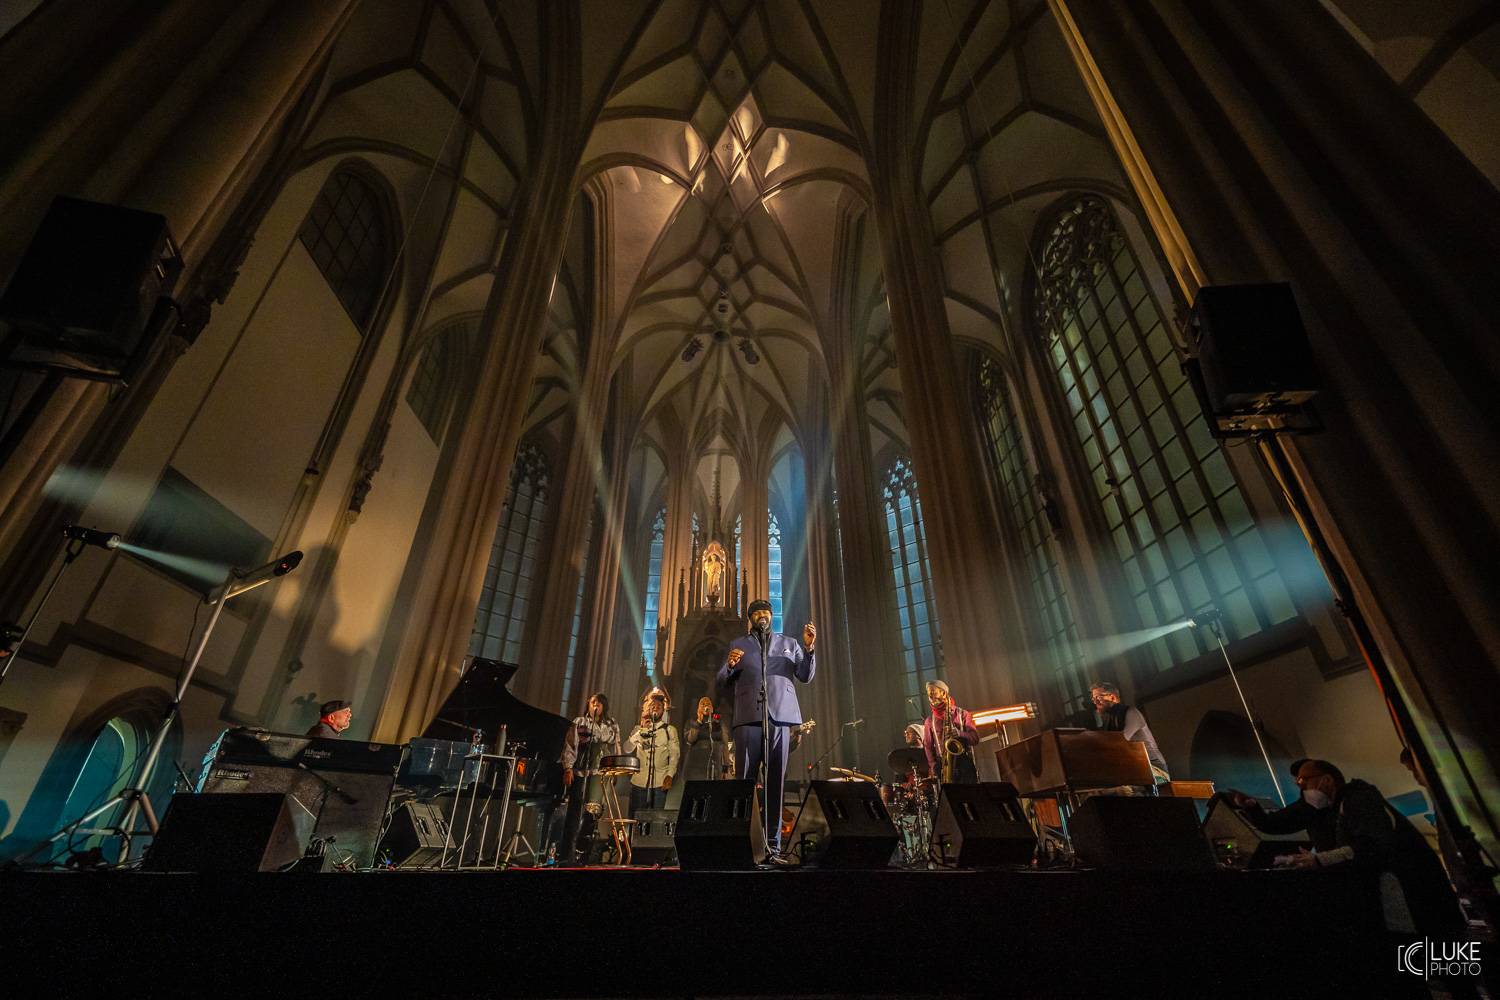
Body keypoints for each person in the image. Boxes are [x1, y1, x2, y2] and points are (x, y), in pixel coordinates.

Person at [1226, 758, 1465, 937]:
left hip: (1414, 889)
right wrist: (1251, 807)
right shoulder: (1311, 807)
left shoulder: (1359, 798)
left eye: (1304, 780)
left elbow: (1370, 845)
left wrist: (1320, 860)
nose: (1301, 787)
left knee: (1441, 958)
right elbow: (1275, 824)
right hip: (1376, 894)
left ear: (1327, 780)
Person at [716, 599, 816, 862]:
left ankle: (773, 846)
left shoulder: (790, 644)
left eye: (766, 612)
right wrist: (728, 665)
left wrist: (808, 648)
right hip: (749, 717)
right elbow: (721, 681)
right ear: (751, 618)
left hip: (780, 717)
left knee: (776, 783)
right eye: (757, 612)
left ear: (772, 616)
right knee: (744, 783)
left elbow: (805, 675)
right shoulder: (738, 645)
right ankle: (742, 842)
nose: (763, 615)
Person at [559, 693, 620, 864]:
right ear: (588, 704)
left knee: (593, 814)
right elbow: (570, 745)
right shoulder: (580, 722)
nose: (596, 706)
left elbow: (616, 747)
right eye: (593, 702)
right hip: (581, 772)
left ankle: (584, 853)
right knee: (575, 813)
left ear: (604, 706)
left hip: (601, 773)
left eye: (599, 704)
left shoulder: (611, 724)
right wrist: (568, 768)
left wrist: (615, 771)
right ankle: (567, 856)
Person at [1088, 681, 1168, 781]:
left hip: (1156, 770)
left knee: (1119, 789)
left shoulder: (1131, 712)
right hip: (1134, 768)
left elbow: (1120, 742)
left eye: (1098, 698)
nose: (1095, 702)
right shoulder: (1108, 718)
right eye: (1093, 699)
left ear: (1112, 697)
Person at [625, 691, 679, 813]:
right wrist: (640, 731)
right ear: (647, 708)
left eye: (659, 706)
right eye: (652, 705)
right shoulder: (638, 729)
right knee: (636, 817)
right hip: (639, 781)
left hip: (660, 782)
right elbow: (627, 748)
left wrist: (670, 775)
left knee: (655, 818)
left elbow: (674, 755)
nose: (655, 708)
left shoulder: (669, 730)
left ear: (663, 710)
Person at [921, 680, 979, 784]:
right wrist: (934, 765)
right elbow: (927, 746)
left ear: (943, 693)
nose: (930, 696)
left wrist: (960, 733)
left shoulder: (963, 714)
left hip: (963, 763)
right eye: (929, 693)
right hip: (943, 764)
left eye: (933, 692)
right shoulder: (929, 721)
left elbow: (975, 739)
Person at [682, 696, 732, 781]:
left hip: (715, 764)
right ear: (698, 708)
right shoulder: (692, 722)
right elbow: (690, 739)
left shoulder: (719, 723)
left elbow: (725, 744)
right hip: (696, 764)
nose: (706, 706)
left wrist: (725, 767)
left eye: (708, 704)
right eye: (703, 704)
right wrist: (698, 722)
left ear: (712, 708)